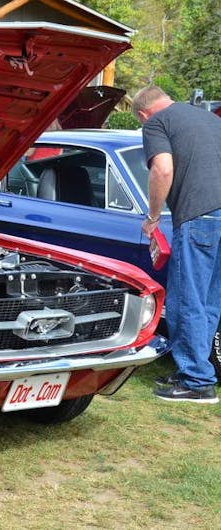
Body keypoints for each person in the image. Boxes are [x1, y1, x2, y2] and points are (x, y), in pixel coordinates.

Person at [132, 85, 221, 404]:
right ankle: (197, 369)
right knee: (209, 302)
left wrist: (153, 216)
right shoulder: (210, 119)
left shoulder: (156, 123)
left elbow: (163, 168)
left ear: (143, 114)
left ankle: (197, 382)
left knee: (186, 299)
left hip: (199, 216)